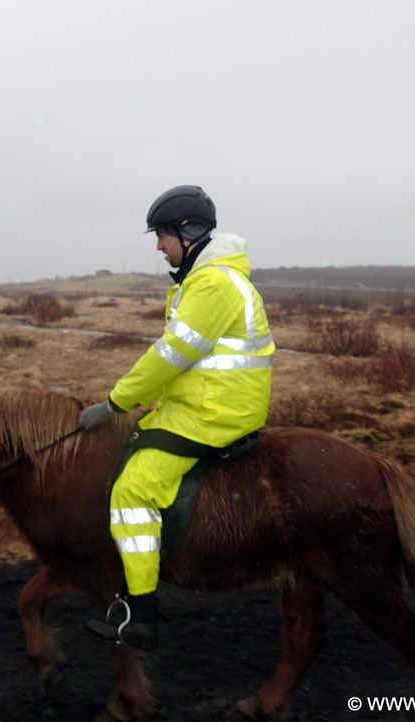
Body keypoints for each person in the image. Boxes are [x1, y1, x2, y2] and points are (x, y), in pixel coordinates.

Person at [79, 184, 275, 650]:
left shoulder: (211, 284)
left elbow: (170, 355)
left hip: (214, 414)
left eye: (163, 235)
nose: (158, 245)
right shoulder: (205, 280)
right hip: (205, 404)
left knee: (133, 489)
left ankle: (139, 615)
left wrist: (114, 404)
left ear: (189, 233)